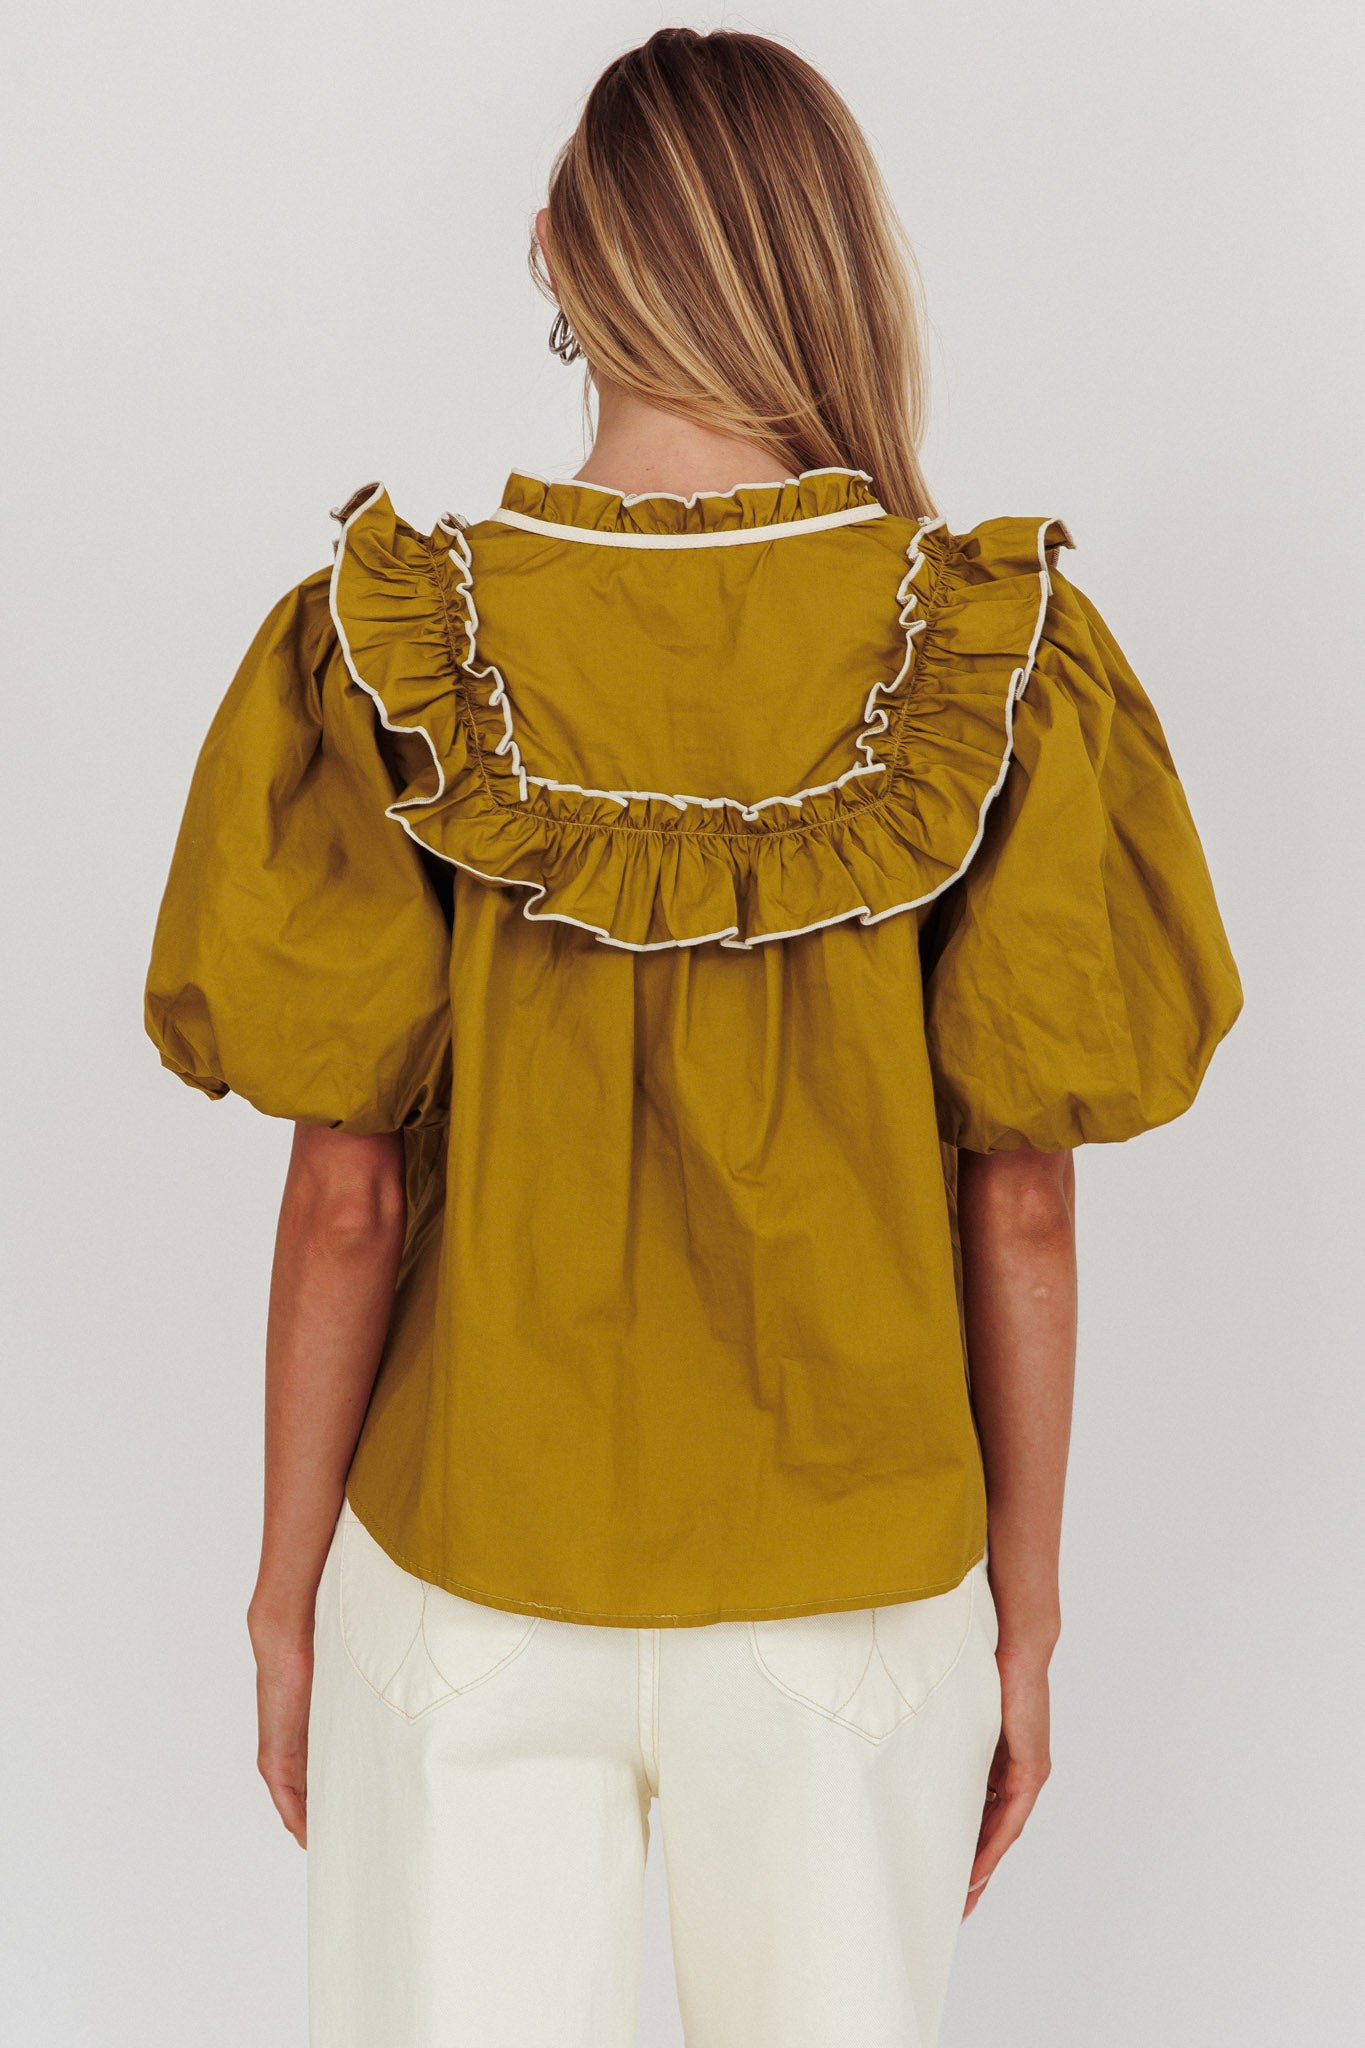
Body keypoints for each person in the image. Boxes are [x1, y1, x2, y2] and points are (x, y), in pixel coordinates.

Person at [144, 27, 1241, 2048]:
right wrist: (1024, 1617)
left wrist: (284, 1600)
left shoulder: (390, 640)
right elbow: (1016, 1200)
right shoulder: (983, 649)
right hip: (856, 1585)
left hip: (465, 1567)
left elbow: (344, 1195)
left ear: (559, 251)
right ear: (826, 258)